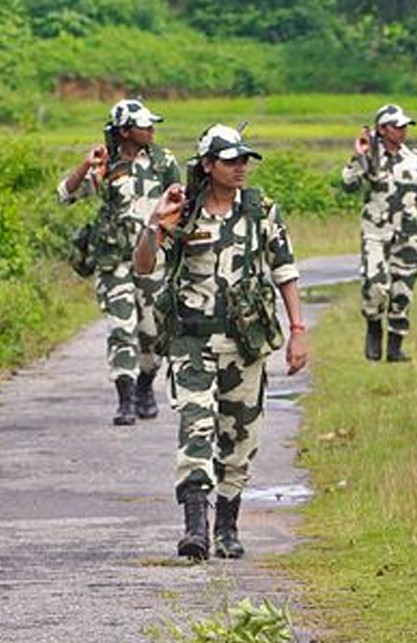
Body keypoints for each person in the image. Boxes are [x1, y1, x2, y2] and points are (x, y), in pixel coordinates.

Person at [133, 124, 309, 560]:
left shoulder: (261, 210)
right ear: (208, 165)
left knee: (240, 440)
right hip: (192, 342)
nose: (240, 168)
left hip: (245, 345)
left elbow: (284, 270)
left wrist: (298, 331)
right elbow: (143, 265)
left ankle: (227, 527)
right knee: (196, 429)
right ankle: (195, 530)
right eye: (230, 161)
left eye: (244, 160)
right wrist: (155, 224)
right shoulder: (184, 211)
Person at [57, 99, 180, 425]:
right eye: (144, 126)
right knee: (121, 328)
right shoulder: (106, 164)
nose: (152, 130)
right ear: (125, 131)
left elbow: (181, 203)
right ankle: (124, 399)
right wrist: (85, 166)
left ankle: (145, 384)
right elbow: (66, 194)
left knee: (152, 331)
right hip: (113, 260)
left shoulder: (163, 161)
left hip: (153, 259)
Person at [342, 104, 417, 362]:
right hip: (376, 230)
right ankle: (373, 326)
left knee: (403, 290)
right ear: (382, 129)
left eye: (405, 127)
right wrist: (359, 156)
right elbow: (349, 185)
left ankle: (395, 347)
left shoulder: (414, 157)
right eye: (397, 127)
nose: (403, 131)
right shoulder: (369, 154)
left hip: (407, 231)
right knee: (376, 284)